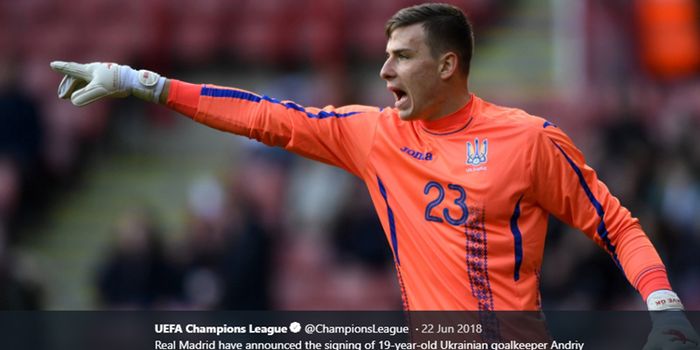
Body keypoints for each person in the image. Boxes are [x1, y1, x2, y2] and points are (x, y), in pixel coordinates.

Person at [50, 2, 697, 347]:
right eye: (385, 56)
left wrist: (663, 306)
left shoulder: (527, 141)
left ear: (448, 66)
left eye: (403, 57)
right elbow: (263, 117)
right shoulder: (374, 135)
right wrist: (146, 83)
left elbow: (614, 222)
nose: (385, 71)